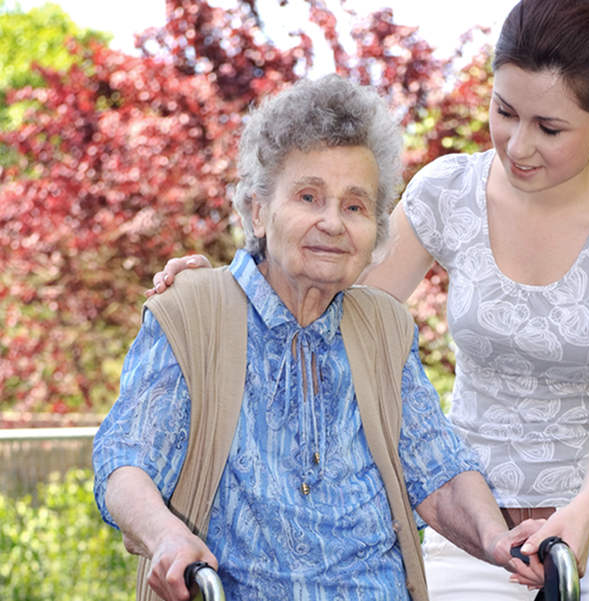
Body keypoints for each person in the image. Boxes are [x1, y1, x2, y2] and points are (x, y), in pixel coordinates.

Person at [148, 1, 589, 599]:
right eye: (505, 111)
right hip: (472, 533)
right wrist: (219, 290)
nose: (518, 145)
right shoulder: (449, 191)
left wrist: (582, 516)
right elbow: (329, 305)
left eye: (550, 127)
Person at [93, 74, 542, 601]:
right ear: (258, 210)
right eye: (309, 196)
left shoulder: (384, 326)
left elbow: (436, 471)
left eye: (355, 206)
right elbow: (126, 459)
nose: (333, 222)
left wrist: (498, 541)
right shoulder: (193, 310)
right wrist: (167, 536)